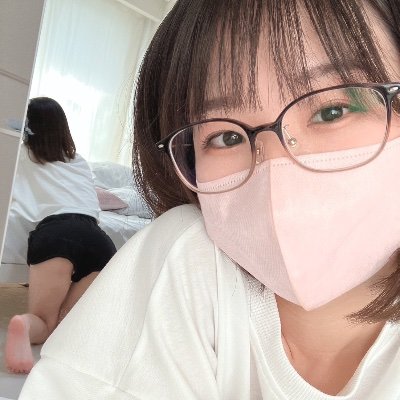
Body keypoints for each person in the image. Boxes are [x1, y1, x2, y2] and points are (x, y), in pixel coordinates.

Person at [19, 0, 400, 398]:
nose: (276, 165)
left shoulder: (30, 162)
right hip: (91, 232)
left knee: (48, 314)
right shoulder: (187, 254)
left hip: (53, 231)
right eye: (227, 136)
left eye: (333, 111)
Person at [5, 97, 116, 374]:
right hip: (99, 241)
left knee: (43, 321)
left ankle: (24, 324)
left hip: (55, 234)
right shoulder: (78, 161)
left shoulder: (21, 154)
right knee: (65, 323)